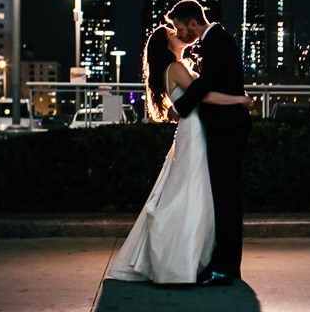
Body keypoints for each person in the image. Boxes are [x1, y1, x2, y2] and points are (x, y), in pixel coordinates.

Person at [107, 25, 251, 284]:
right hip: (194, 133)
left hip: (192, 130)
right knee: (192, 190)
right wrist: (238, 100)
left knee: (189, 190)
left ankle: (189, 258)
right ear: (167, 44)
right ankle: (183, 259)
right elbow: (204, 96)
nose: (179, 34)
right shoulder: (176, 69)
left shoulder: (175, 69)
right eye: (173, 33)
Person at [166, 0, 252, 287]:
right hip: (224, 128)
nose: (179, 33)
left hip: (228, 129)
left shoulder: (217, 41)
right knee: (222, 198)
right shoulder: (213, 41)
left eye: (180, 27)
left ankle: (226, 268)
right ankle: (221, 264)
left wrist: (179, 108)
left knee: (226, 200)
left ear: (193, 23)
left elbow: (205, 85)